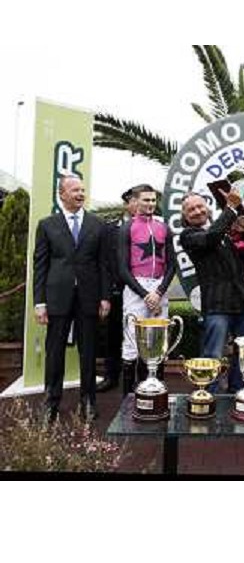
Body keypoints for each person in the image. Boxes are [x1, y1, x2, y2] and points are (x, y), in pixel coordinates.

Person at [33, 176, 111, 423]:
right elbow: (40, 266)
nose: (80, 194)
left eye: (83, 190)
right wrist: (40, 302)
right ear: (62, 194)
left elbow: (104, 265)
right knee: (54, 352)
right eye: (75, 190)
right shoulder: (47, 225)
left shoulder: (97, 224)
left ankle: (88, 401)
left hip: (89, 298)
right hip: (57, 297)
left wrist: (105, 297)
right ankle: (51, 402)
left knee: (88, 352)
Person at [180, 190, 244, 392]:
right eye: (191, 209)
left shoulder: (224, 232)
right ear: (185, 216)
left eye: (200, 206)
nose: (197, 211)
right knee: (212, 354)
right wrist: (230, 208)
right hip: (217, 306)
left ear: (207, 207)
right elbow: (211, 238)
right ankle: (207, 396)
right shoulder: (188, 236)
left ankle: (239, 392)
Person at [118, 184, 176, 392]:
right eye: (146, 200)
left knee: (158, 343)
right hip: (136, 287)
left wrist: (159, 292)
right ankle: (127, 396)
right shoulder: (127, 228)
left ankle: (155, 390)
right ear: (136, 202)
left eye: (153, 200)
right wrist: (145, 294)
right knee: (132, 342)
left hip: (159, 286)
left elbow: (172, 264)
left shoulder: (164, 228)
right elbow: (122, 269)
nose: (150, 204)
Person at [96, 186, 139, 394]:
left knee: (138, 334)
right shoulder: (110, 228)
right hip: (117, 290)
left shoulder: (154, 227)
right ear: (127, 203)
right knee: (112, 335)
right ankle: (111, 375)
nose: (139, 205)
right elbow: (104, 262)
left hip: (141, 291)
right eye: (134, 201)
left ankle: (139, 376)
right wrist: (104, 294)